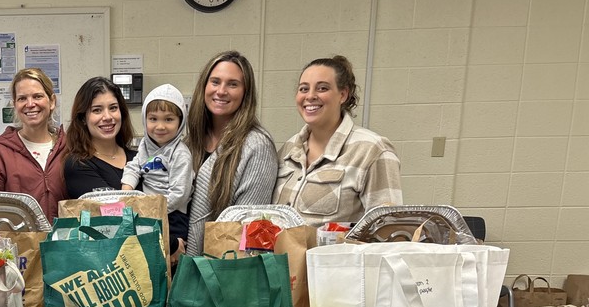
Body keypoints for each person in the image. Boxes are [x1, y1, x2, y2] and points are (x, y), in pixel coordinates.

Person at [273, 55, 402, 226]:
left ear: (343, 95)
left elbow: (387, 228)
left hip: (333, 253)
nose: (310, 96)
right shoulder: (289, 149)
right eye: (304, 89)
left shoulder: (372, 150)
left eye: (322, 88)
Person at [184, 50, 278, 256]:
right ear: (204, 87)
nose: (221, 91)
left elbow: (247, 226)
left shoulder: (256, 146)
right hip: (179, 267)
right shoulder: (190, 143)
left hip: (223, 269)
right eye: (215, 82)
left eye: (233, 84)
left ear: (246, 92)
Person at [0, 67, 68, 221]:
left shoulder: (69, 148)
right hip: (17, 243)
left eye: (37, 96)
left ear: (52, 101)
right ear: (14, 104)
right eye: (22, 98)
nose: (30, 104)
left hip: (63, 243)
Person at [120, 83, 193, 255]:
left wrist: (151, 209)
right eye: (153, 119)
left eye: (168, 119)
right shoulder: (146, 144)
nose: (160, 126)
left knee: (168, 262)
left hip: (172, 215)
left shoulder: (180, 153)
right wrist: (127, 189)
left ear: (180, 122)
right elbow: (134, 166)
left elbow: (179, 194)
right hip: (149, 209)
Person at [63, 76, 135, 196]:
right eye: (97, 110)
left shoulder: (138, 158)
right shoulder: (78, 166)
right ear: (83, 118)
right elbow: (111, 210)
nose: (107, 117)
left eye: (113, 108)